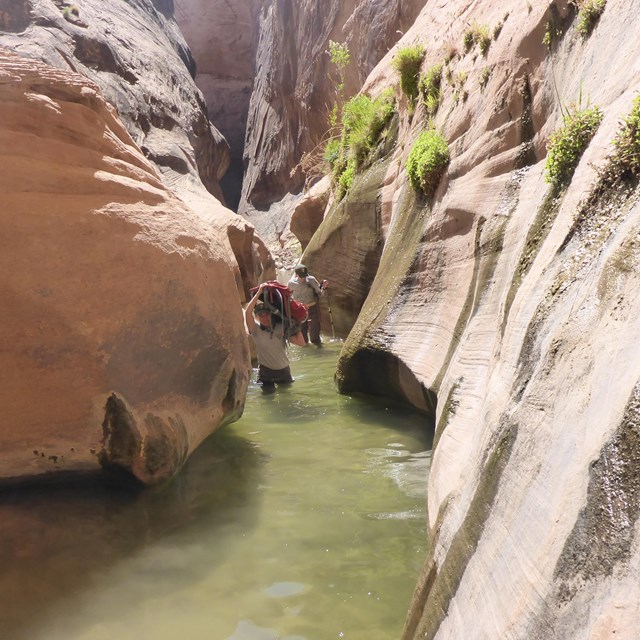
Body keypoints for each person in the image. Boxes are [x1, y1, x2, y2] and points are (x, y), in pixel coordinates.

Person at [245, 283, 305, 388]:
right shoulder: (255, 329)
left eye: (266, 314)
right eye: (261, 315)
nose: (264, 318)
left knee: (287, 401)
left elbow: (301, 343)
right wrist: (259, 292)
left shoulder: (280, 326)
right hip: (266, 372)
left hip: (284, 371)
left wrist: (296, 325)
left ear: (271, 314)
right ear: (257, 317)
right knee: (267, 400)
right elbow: (247, 312)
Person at [287, 264, 329, 346]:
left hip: (312, 307)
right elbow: (288, 296)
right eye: (301, 276)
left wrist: (323, 288)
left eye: (305, 275)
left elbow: (320, 293)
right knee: (302, 334)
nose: (304, 278)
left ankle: (318, 348)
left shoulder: (311, 280)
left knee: (315, 333)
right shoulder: (291, 283)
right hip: (300, 310)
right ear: (296, 274)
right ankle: (305, 348)